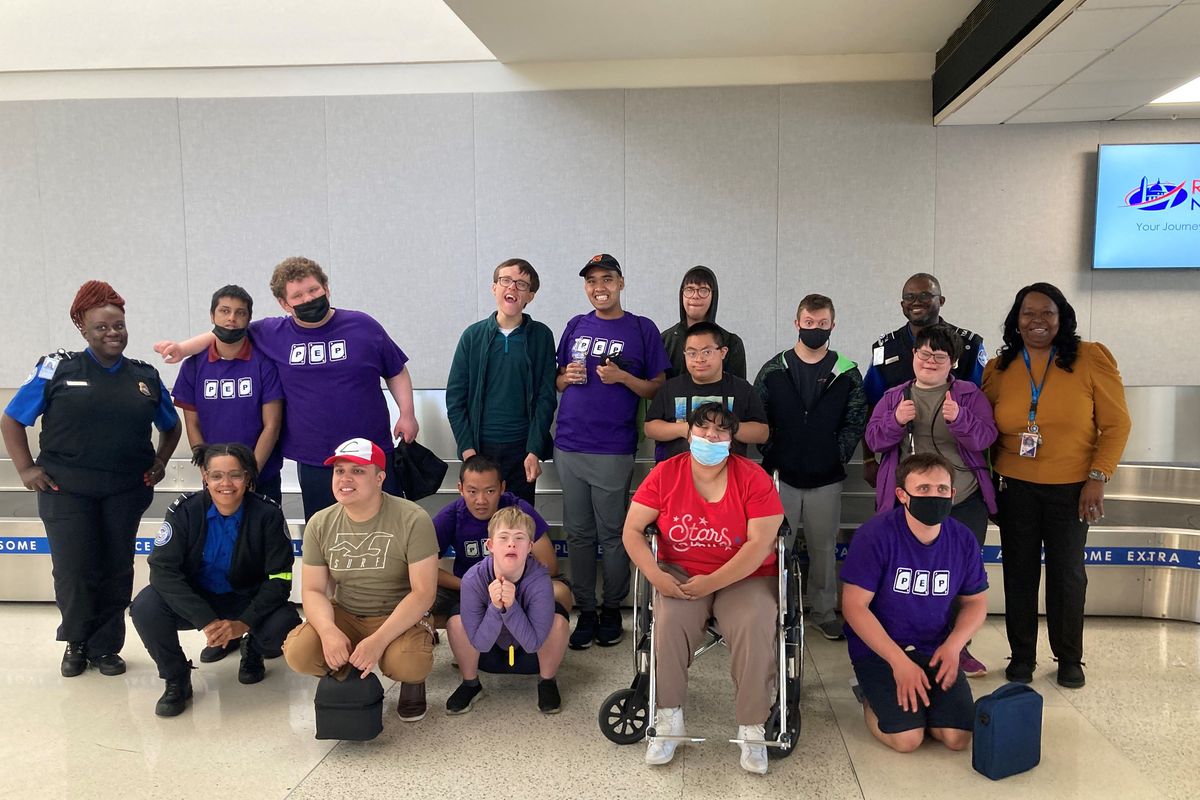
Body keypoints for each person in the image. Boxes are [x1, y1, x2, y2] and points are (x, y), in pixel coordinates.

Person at [1, 281, 181, 678]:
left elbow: (171, 425)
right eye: (101, 327)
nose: (112, 333)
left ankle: (105, 647)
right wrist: (26, 469)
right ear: (83, 329)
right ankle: (76, 642)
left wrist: (162, 459)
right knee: (75, 569)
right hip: (65, 491)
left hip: (124, 490)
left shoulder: (144, 376)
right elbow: (12, 418)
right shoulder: (57, 368)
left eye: (118, 325)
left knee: (117, 567)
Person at [155, 256, 419, 520]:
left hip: (371, 451)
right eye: (298, 295)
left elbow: (396, 370)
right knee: (324, 530)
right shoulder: (272, 332)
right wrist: (183, 349)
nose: (308, 299)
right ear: (284, 303)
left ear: (326, 288)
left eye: (314, 290)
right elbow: (224, 331)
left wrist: (407, 414)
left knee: (386, 526)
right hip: (315, 458)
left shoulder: (363, 325)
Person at [623, 403, 785, 774]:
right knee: (667, 623)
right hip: (678, 571)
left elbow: (761, 543)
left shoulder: (753, 477)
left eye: (721, 431)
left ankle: (752, 726)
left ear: (732, 439)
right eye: (703, 429)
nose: (710, 436)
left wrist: (712, 582)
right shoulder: (666, 474)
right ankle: (668, 719)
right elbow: (632, 530)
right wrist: (655, 575)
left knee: (756, 620)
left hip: (744, 575)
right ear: (689, 433)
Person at [983, 282, 1131, 689]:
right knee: (1019, 572)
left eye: (1047, 312)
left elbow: (1117, 424)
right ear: (1016, 320)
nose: (1037, 321)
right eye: (1028, 313)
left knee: (1067, 574)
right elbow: (983, 430)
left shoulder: (1089, 358)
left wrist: (1098, 477)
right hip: (1015, 488)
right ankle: (1022, 656)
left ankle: (1069, 657)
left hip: (1072, 489)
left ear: (1062, 316)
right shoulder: (999, 367)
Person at [864, 323, 997, 677]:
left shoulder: (968, 396)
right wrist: (894, 421)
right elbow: (874, 439)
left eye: (940, 356)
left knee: (958, 578)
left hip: (961, 498)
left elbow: (986, 438)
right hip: (910, 504)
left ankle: (958, 648)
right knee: (905, 575)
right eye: (925, 354)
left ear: (953, 362)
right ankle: (903, 644)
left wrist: (961, 420)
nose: (931, 361)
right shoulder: (894, 396)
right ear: (913, 356)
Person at [130, 443, 300, 716]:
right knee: (145, 606)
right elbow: (162, 570)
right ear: (205, 478)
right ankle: (176, 677)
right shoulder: (184, 511)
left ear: (247, 478)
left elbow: (280, 578)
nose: (226, 483)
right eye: (217, 475)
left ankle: (252, 649)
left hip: (247, 599)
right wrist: (207, 621)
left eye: (235, 475)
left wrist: (242, 623)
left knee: (286, 623)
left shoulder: (268, 514)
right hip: (199, 600)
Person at [555, 253, 670, 650]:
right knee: (579, 534)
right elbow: (557, 380)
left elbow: (657, 386)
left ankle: (611, 608)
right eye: (591, 281)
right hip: (569, 444)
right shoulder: (574, 325)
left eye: (606, 279)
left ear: (621, 283)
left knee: (614, 533)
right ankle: (585, 609)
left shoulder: (642, 328)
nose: (598, 287)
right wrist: (565, 378)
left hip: (612, 447)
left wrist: (622, 377)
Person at [841, 453, 989, 753]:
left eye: (941, 489)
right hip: (881, 650)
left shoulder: (962, 539)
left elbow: (976, 602)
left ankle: (924, 706)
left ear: (952, 493)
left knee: (957, 738)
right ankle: (870, 696)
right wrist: (898, 662)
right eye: (923, 489)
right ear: (902, 495)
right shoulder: (876, 534)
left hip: (935, 647)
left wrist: (953, 647)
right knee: (908, 739)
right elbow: (854, 606)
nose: (933, 496)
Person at [282, 438, 438, 721]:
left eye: (358, 471)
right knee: (299, 652)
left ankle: (411, 682)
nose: (345, 479)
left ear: (380, 478)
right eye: (339, 471)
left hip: (398, 613)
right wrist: (329, 632)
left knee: (408, 662)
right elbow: (314, 589)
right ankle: (348, 670)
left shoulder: (413, 518)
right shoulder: (320, 522)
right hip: (347, 611)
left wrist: (378, 640)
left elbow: (423, 593)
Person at [754, 294, 866, 641]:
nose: (814, 328)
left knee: (822, 548)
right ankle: (775, 609)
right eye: (808, 322)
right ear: (796, 323)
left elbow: (856, 420)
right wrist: (775, 452)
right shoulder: (774, 369)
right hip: (780, 478)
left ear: (832, 324)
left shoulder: (847, 372)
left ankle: (822, 612)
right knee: (774, 549)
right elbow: (758, 416)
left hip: (826, 479)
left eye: (821, 323)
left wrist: (835, 454)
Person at [445, 258, 557, 506]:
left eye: (521, 284)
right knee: (480, 520)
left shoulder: (541, 336)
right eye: (505, 281)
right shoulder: (472, 336)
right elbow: (455, 399)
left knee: (519, 522)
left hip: (522, 449)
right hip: (480, 449)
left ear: (531, 296)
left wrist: (534, 450)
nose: (512, 288)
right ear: (494, 288)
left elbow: (546, 397)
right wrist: (467, 450)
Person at [862, 273, 986, 489]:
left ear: (941, 301)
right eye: (909, 297)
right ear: (902, 305)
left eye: (925, 295)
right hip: (901, 462)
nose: (916, 302)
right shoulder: (885, 348)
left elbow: (983, 407)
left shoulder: (969, 346)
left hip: (958, 464)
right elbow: (869, 404)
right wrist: (868, 459)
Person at [445, 507, 569, 716]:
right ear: (490, 545)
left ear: (530, 547)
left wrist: (511, 607)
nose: (511, 543)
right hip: (488, 654)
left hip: (531, 657)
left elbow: (533, 644)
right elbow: (480, 643)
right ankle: (470, 683)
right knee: (456, 621)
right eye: (503, 538)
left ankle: (547, 681)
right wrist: (495, 607)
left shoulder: (540, 579)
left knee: (558, 621)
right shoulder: (473, 579)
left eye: (519, 538)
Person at [170, 285, 284, 507]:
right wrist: (208, 471)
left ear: (249, 319)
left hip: (262, 476)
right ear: (212, 315)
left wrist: (251, 473)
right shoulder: (193, 366)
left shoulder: (265, 364)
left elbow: (272, 424)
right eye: (224, 311)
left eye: (240, 312)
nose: (231, 318)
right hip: (216, 481)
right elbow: (192, 425)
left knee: (264, 540)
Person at [431, 455, 572, 625]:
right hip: (470, 589)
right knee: (420, 595)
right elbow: (426, 569)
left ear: (502, 487)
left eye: (490, 491)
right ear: (460, 489)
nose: (481, 500)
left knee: (559, 592)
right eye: (472, 491)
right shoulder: (450, 516)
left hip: (518, 587)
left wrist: (513, 587)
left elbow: (549, 565)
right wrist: (469, 585)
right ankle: (444, 633)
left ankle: (538, 638)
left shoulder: (518, 509)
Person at [645, 321, 768, 462]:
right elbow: (650, 428)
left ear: (723, 352)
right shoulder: (670, 388)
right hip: (679, 474)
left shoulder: (742, 389)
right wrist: (686, 429)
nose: (699, 359)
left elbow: (762, 433)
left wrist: (724, 428)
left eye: (707, 352)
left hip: (729, 474)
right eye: (692, 353)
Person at [659, 266, 748, 379]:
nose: (695, 296)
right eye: (689, 289)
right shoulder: (664, 341)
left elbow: (739, 391)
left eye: (703, 290)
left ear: (713, 296)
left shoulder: (731, 343)